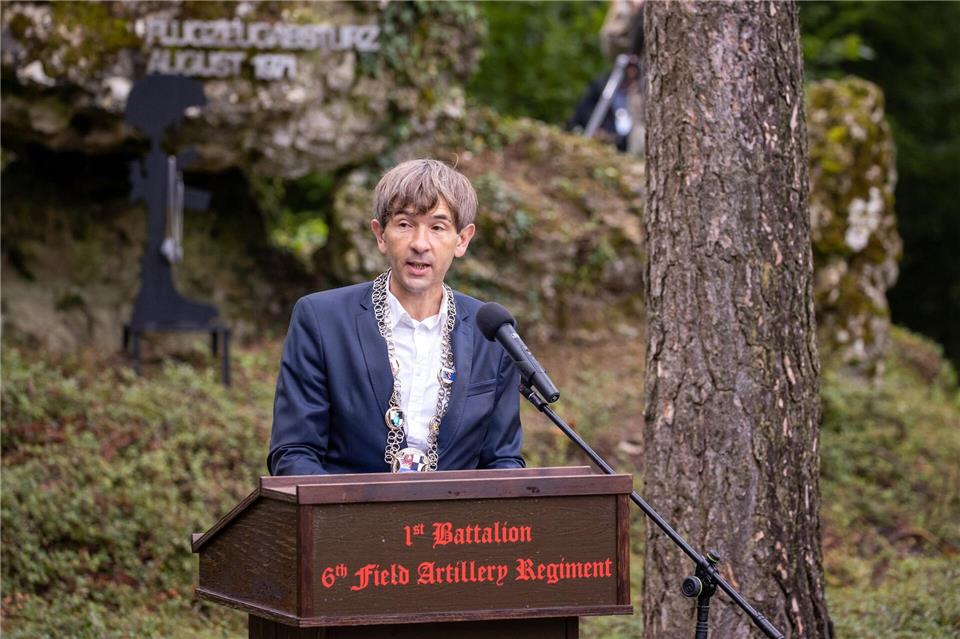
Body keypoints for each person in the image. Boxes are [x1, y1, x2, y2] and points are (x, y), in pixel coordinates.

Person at [268, 159, 525, 475]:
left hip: (455, 509)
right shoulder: (322, 320)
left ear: (462, 239)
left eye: (437, 227)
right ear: (380, 234)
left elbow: (503, 461)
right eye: (404, 224)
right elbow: (294, 453)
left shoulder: (492, 332)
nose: (420, 244)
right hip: (345, 505)